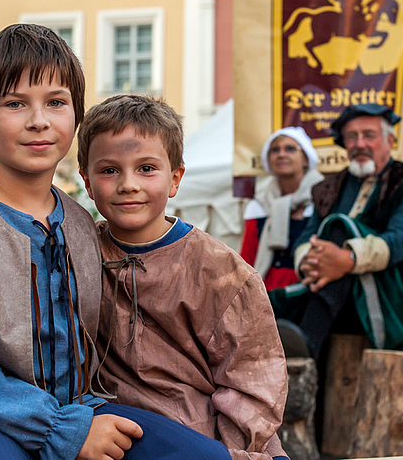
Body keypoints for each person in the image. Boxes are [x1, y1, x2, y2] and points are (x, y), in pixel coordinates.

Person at [0, 24, 235, 460]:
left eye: (56, 102)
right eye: (15, 104)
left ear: (75, 117)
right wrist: (62, 430)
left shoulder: (81, 223)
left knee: (205, 458)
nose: (39, 121)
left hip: (77, 407)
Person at [78, 94, 289, 460]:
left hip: (201, 435)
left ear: (175, 179)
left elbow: (252, 381)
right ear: (87, 182)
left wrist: (231, 453)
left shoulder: (222, 272)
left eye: (146, 168)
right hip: (112, 429)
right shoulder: (78, 252)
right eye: (109, 170)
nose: (128, 184)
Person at [270, 103, 403, 359]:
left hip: (400, 292)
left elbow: (401, 241)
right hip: (339, 291)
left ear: (390, 141)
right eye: (352, 137)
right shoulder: (330, 188)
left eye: (369, 135)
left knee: (340, 228)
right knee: (269, 302)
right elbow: (308, 236)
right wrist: (309, 262)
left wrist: (348, 260)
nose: (359, 144)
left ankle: (308, 344)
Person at [240, 128, 324, 291]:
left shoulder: (323, 200)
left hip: (310, 290)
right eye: (275, 150)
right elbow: (246, 262)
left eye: (290, 148)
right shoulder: (258, 206)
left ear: (306, 159)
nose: (281, 154)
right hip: (265, 293)